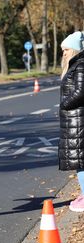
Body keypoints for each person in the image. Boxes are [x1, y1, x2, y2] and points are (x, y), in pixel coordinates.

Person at [58, 31, 84, 212]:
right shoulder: (77, 64)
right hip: (75, 120)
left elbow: (81, 91)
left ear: (74, 49)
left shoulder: (80, 65)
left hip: (79, 120)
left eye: (66, 49)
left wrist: (64, 105)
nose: (64, 53)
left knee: (81, 161)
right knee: (79, 160)